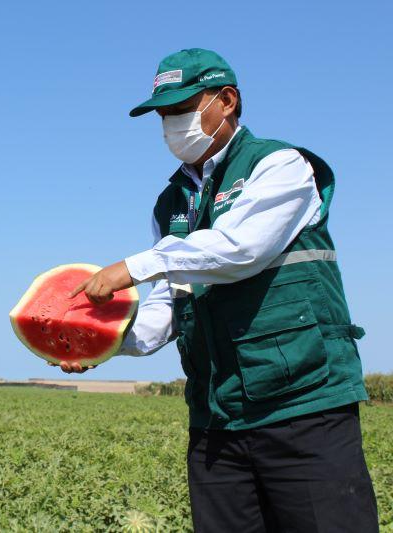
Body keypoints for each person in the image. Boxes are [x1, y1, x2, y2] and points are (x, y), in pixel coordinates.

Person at [66, 48, 378, 531]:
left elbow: (242, 249)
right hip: (216, 418)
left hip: (302, 406)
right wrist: (105, 343)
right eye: (163, 115)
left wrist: (134, 266)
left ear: (227, 100)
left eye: (182, 109)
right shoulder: (170, 202)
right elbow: (171, 300)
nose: (171, 124)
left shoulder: (279, 165)